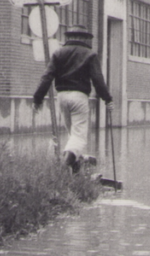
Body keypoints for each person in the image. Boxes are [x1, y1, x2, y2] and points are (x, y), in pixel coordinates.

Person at [33, 26, 113, 173]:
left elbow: (47, 77)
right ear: (84, 38)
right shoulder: (90, 54)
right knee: (79, 137)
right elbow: (98, 79)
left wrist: (37, 99)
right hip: (79, 97)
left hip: (62, 97)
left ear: (69, 37)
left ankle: (76, 173)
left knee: (72, 136)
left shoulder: (58, 53)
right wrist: (107, 99)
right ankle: (64, 167)